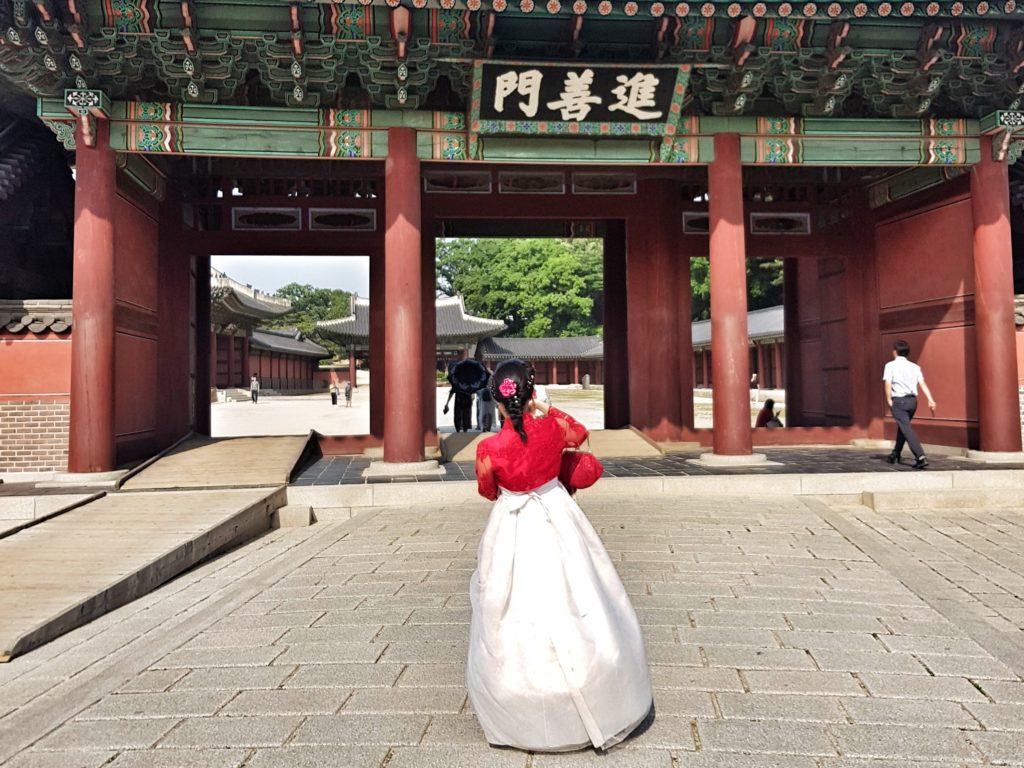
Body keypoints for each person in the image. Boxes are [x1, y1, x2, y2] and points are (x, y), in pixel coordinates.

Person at [468, 359, 652, 752]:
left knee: (512, 604)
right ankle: (599, 684)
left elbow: (487, 490)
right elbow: (580, 433)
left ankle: (521, 696)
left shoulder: (488, 448)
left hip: (513, 522)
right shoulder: (551, 428)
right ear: (531, 395)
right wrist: (543, 410)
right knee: (579, 592)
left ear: (498, 404)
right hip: (557, 515)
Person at [883, 339, 937, 470]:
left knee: (906, 429)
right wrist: (930, 399)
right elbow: (922, 383)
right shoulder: (915, 367)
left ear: (895, 352)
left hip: (899, 401)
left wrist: (888, 399)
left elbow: (888, 383)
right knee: (904, 427)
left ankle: (920, 457)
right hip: (912, 402)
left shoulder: (890, 365)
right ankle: (895, 454)